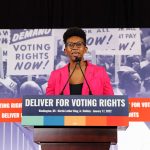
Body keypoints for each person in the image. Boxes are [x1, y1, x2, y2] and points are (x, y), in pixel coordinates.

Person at [46, 27, 114, 95]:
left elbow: (110, 102)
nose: (75, 48)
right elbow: (49, 103)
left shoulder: (100, 73)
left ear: (85, 49)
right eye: (70, 45)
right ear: (65, 51)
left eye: (79, 44)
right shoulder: (55, 76)